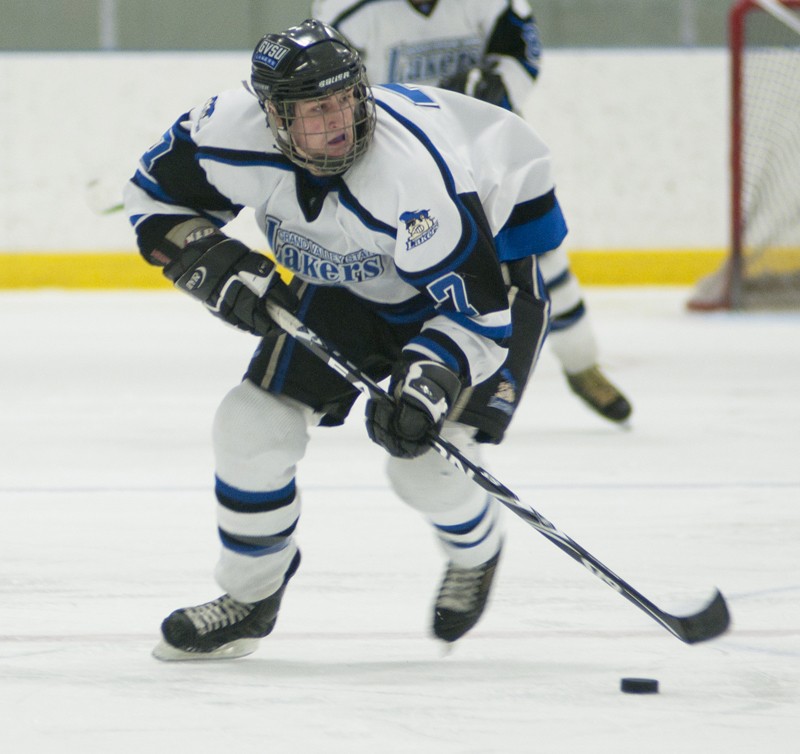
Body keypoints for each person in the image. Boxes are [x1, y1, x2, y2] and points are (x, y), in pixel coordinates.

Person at [124, 19, 558, 660]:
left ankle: (477, 550)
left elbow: (477, 317)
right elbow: (155, 200)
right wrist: (209, 260)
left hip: (484, 279)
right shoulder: (224, 131)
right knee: (249, 425)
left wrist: (428, 384)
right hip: (353, 277)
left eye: (347, 100)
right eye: (316, 109)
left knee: (426, 468)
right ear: (272, 114)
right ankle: (250, 598)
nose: (341, 122)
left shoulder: (413, 180)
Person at [312, 0, 632, 423]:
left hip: (483, 155)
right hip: (403, 169)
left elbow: (522, 50)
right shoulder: (347, 11)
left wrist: (497, 86)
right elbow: (323, 92)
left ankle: (581, 364)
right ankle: (423, 365)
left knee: (539, 255)